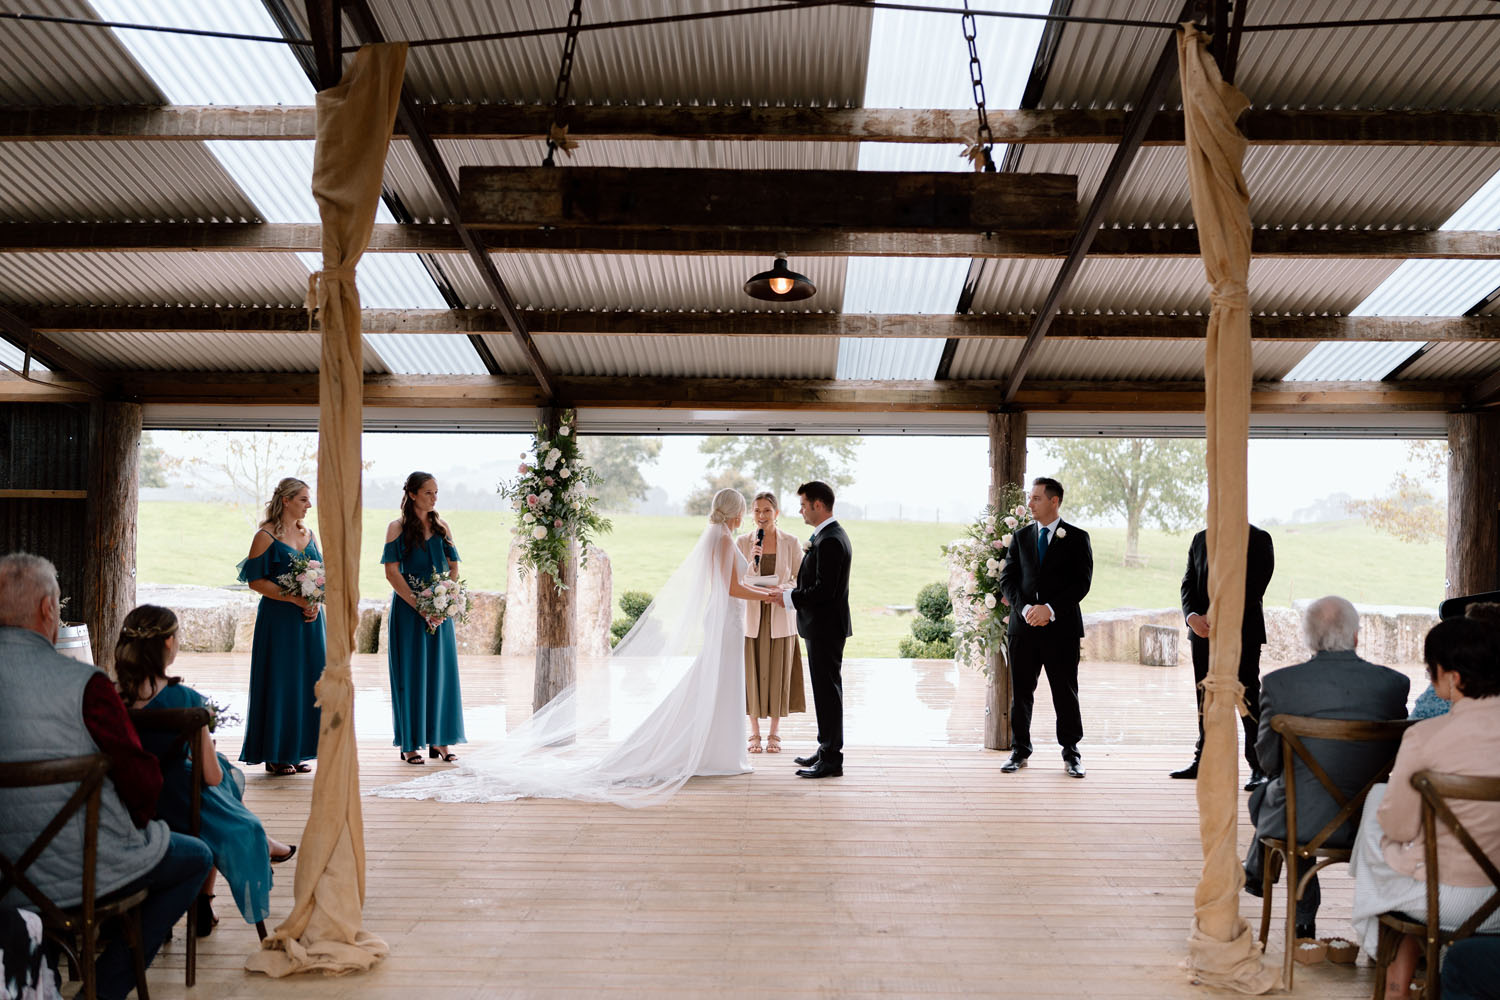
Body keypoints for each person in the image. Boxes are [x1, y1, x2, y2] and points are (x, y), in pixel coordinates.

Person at [372, 489, 776, 807]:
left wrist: (766, 586)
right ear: (735, 511)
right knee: (717, 682)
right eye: (743, 508)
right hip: (727, 623)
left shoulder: (722, 537)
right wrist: (770, 595)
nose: (746, 514)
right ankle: (713, 751)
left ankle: (718, 749)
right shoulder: (723, 539)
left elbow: (739, 582)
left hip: (729, 622)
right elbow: (730, 587)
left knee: (719, 683)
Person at [0, 553, 212, 1000]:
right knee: (194, 857)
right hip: (81, 870)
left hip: (4, 878)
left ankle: (43, 976)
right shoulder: (86, 685)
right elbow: (141, 782)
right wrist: (135, 826)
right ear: (47, 610)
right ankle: (104, 991)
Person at [113, 605, 295, 938]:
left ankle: (206, 896)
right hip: (179, 807)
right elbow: (212, 777)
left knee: (219, 776)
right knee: (222, 777)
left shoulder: (111, 699)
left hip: (128, 800)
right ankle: (208, 894)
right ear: (169, 643)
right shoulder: (185, 699)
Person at [1241, 595, 1410, 940]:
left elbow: (1269, 762)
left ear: (1308, 638)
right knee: (1291, 795)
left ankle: (1298, 911)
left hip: (1302, 823)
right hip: (1374, 821)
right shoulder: (1393, 685)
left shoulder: (1278, 685)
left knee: (1275, 798)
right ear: (1356, 636)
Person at [1349, 616, 1500, 998]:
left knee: (1377, 813)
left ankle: (1394, 981)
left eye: (1432, 671)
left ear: (1452, 678)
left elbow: (1399, 830)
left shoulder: (1425, 737)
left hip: (1444, 901)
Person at [996, 477, 1094, 778]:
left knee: (1065, 693)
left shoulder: (1077, 538)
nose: (1031, 503)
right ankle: (1020, 751)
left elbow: (1082, 583)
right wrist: (1025, 609)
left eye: (1037, 498)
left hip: (1061, 630)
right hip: (1023, 629)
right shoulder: (1021, 536)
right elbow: (1007, 579)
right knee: (1022, 693)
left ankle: (1071, 753)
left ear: (1055, 501)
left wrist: (1049, 610)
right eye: (1031, 498)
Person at [1172, 524, 1275, 788]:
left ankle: (1259, 766)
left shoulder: (1258, 538)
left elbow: (1255, 587)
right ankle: (1204, 760)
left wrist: (1218, 616)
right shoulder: (1200, 538)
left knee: (1247, 695)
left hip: (1242, 632)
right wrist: (1192, 617)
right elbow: (1188, 582)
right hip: (1203, 633)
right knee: (1204, 694)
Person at [237, 477, 325, 775]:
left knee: (307, 682)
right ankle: (275, 753)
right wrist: (295, 600)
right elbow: (254, 580)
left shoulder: (309, 534)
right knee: (281, 681)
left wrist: (314, 602)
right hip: (279, 621)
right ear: (286, 500)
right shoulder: (265, 535)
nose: (308, 504)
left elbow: (321, 575)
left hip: (310, 622)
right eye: (303, 499)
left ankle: (297, 749)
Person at [382, 472, 467, 765]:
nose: (434, 498)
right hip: (409, 612)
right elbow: (392, 572)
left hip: (440, 614)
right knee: (411, 675)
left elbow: (454, 567)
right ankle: (409, 744)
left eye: (436, 493)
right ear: (413, 494)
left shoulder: (442, 527)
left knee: (440, 675)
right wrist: (421, 606)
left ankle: (440, 741)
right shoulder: (397, 528)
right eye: (429, 493)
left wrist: (443, 602)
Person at [780, 481, 853, 779]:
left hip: (825, 628)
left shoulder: (832, 540)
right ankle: (825, 750)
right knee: (825, 692)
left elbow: (825, 590)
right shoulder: (825, 536)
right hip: (822, 627)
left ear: (818, 505)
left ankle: (832, 759)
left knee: (828, 693)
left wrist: (789, 597)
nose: (800, 511)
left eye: (803, 505)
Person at [736, 491, 805, 755]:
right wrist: (754, 563)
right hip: (752, 618)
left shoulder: (791, 542)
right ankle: (753, 732)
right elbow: (738, 578)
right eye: (756, 511)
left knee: (778, 674)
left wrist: (781, 590)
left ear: (776, 513)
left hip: (780, 615)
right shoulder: (743, 542)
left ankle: (775, 732)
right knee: (751, 674)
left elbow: (801, 578)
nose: (761, 516)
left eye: (766, 510)